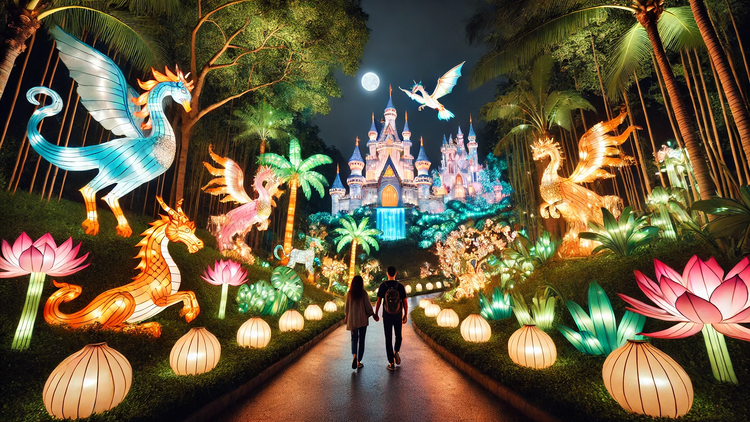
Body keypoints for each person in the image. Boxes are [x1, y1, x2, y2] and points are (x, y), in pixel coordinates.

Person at [375, 266, 407, 371]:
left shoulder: (383, 286)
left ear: (387, 273)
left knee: (388, 338)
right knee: (399, 336)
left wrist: (376, 313)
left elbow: (379, 301)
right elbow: (405, 302)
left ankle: (391, 363)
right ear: (396, 273)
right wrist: (405, 315)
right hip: (398, 315)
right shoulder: (400, 286)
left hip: (387, 316)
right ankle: (396, 351)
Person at [344, 275, 375, 370]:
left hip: (353, 321)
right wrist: (372, 314)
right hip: (362, 320)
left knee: (354, 339)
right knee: (361, 340)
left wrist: (346, 316)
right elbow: (368, 307)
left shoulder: (349, 293)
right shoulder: (363, 293)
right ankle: (358, 361)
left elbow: (346, 307)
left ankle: (354, 355)